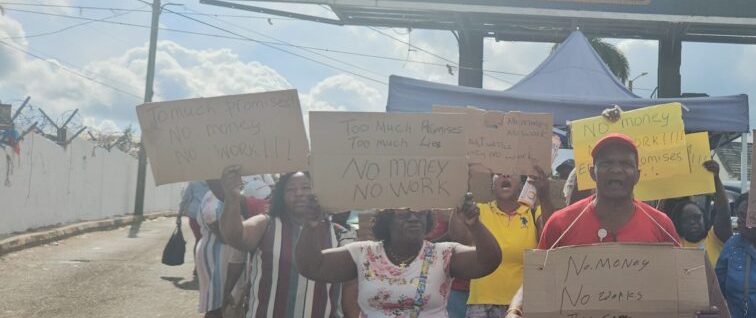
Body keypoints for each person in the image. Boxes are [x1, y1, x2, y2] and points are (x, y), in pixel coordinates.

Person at [505, 132, 719, 318]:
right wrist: (514, 311)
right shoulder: (561, 223)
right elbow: (534, 282)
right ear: (591, 173)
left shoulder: (661, 225)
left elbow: (684, 287)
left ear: (638, 175)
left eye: (626, 164)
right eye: (607, 163)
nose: (616, 170)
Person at [294, 194, 502, 318]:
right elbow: (313, 266)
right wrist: (311, 227)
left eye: (420, 212)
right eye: (404, 213)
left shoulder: (444, 254)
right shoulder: (364, 253)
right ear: (387, 220)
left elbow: (489, 261)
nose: (414, 218)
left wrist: (474, 225)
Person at [217, 167, 345, 318]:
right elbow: (235, 237)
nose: (299, 193)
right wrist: (232, 197)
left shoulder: (338, 233)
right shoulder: (266, 224)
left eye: (306, 187)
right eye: (291, 189)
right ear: (281, 196)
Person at [450, 168, 556, 318]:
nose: (505, 175)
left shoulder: (534, 212)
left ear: (521, 184)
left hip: (523, 306)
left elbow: (552, 239)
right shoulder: (478, 211)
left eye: (513, 172)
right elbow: (459, 239)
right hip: (481, 305)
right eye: (498, 174)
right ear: (492, 185)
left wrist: (544, 198)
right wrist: (460, 193)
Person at [196, 177, 245, 317]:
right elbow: (223, 235)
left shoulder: (227, 195)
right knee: (217, 302)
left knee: (226, 299)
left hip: (224, 254)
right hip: (217, 255)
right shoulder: (213, 198)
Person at [669, 160, 733, 265]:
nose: (693, 222)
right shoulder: (675, 243)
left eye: (697, 217)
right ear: (679, 224)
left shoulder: (714, 238)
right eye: (686, 220)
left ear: (704, 217)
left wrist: (716, 180)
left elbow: (724, 213)